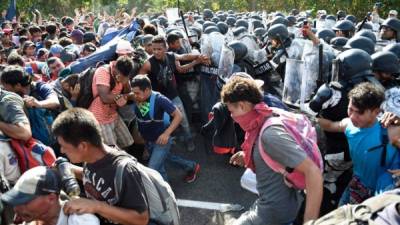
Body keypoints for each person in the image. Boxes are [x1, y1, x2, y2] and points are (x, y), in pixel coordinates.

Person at [222, 77, 323, 225]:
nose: (232, 117)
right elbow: (275, 153)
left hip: (274, 214)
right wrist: (249, 155)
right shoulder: (265, 115)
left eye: (232, 111)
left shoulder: (270, 135)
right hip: (273, 207)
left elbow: (313, 172)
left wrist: (310, 222)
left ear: (242, 106)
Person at [51, 108, 149, 225]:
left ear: (83, 146)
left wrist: (96, 206)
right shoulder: (90, 157)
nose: (61, 150)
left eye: (63, 146)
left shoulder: (125, 170)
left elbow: (142, 219)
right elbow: (96, 177)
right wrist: (71, 169)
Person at [317, 82, 399, 205]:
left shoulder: (390, 130)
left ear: (376, 112)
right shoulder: (347, 125)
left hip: (383, 192)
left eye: (359, 112)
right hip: (357, 185)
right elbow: (329, 125)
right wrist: (305, 116)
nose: (353, 117)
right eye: (350, 109)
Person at [139, 35, 209, 151]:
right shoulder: (148, 64)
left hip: (173, 95)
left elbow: (184, 59)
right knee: (160, 122)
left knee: (183, 120)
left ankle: (188, 139)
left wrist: (198, 58)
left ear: (165, 48)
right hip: (157, 99)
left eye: (159, 49)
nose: (156, 52)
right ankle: (161, 145)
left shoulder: (171, 56)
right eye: (154, 49)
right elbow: (140, 80)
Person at [131, 75, 200, 183]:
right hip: (148, 141)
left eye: (137, 93)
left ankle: (165, 196)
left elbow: (178, 116)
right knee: (164, 163)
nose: (134, 96)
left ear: (147, 90)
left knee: (152, 170)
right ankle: (191, 167)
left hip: (161, 142)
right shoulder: (138, 96)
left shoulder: (160, 99)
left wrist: (166, 134)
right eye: (133, 93)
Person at [1, 166, 100, 225]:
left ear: (51, 198)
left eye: (25, 201)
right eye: (15, 201)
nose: (17, 208)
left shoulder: (82, 220)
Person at [88, 55, 134, 149]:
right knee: (112, 151)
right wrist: (127, 96)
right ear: (115, 67)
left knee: (127, 142)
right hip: (99, 117)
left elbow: (128, 92)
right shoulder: (103, 72)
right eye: (118, 75)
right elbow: (105, 98)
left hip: (113, 114)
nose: (118, 77)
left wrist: (125, 82)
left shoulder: (123, 74)